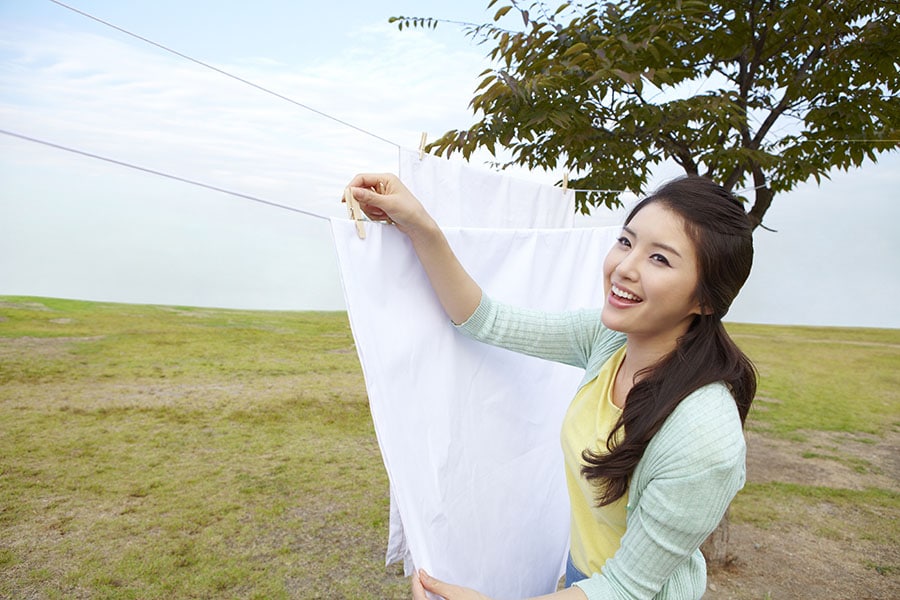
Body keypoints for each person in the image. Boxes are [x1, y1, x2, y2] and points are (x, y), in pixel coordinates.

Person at [345, 172, 757, 600]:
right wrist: (419, 225)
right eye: (626, 241)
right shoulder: (610, 340)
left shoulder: (704, 437)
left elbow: (627, 588)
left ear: (706, 300)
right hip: (582, 579)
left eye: (660, 259)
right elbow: (486, 319)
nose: (625, 268)